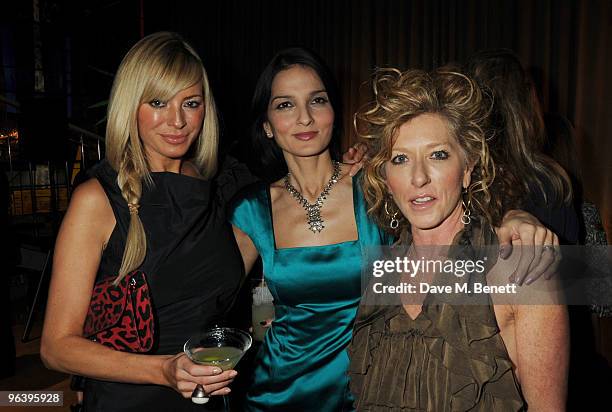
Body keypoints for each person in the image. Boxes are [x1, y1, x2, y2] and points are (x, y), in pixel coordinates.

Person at [229, 47, 561, 411]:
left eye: (317, 100)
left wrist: (516, 215)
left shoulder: (369, 191)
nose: (304, 118)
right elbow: (206, 303)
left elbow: (457, 217)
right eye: (285, 105)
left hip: (354, 394)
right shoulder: (252, 211)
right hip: (281, 394)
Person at [40, 32, 252, 411]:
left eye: (191, 103)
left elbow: (295, 205)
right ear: (130, 106)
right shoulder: (97, 199)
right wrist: (165, 370)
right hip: (130, 399)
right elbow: (56, 348)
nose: (177, 121)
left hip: (207, 396)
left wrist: (349, 172)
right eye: (158, 102)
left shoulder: (219, 188)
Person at [348, 68, 569, 411]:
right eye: (400, 159)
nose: (418, 177)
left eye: (438, 155)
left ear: (467, 168)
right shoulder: (381, 274)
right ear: (386, 179)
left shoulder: (521, 270)